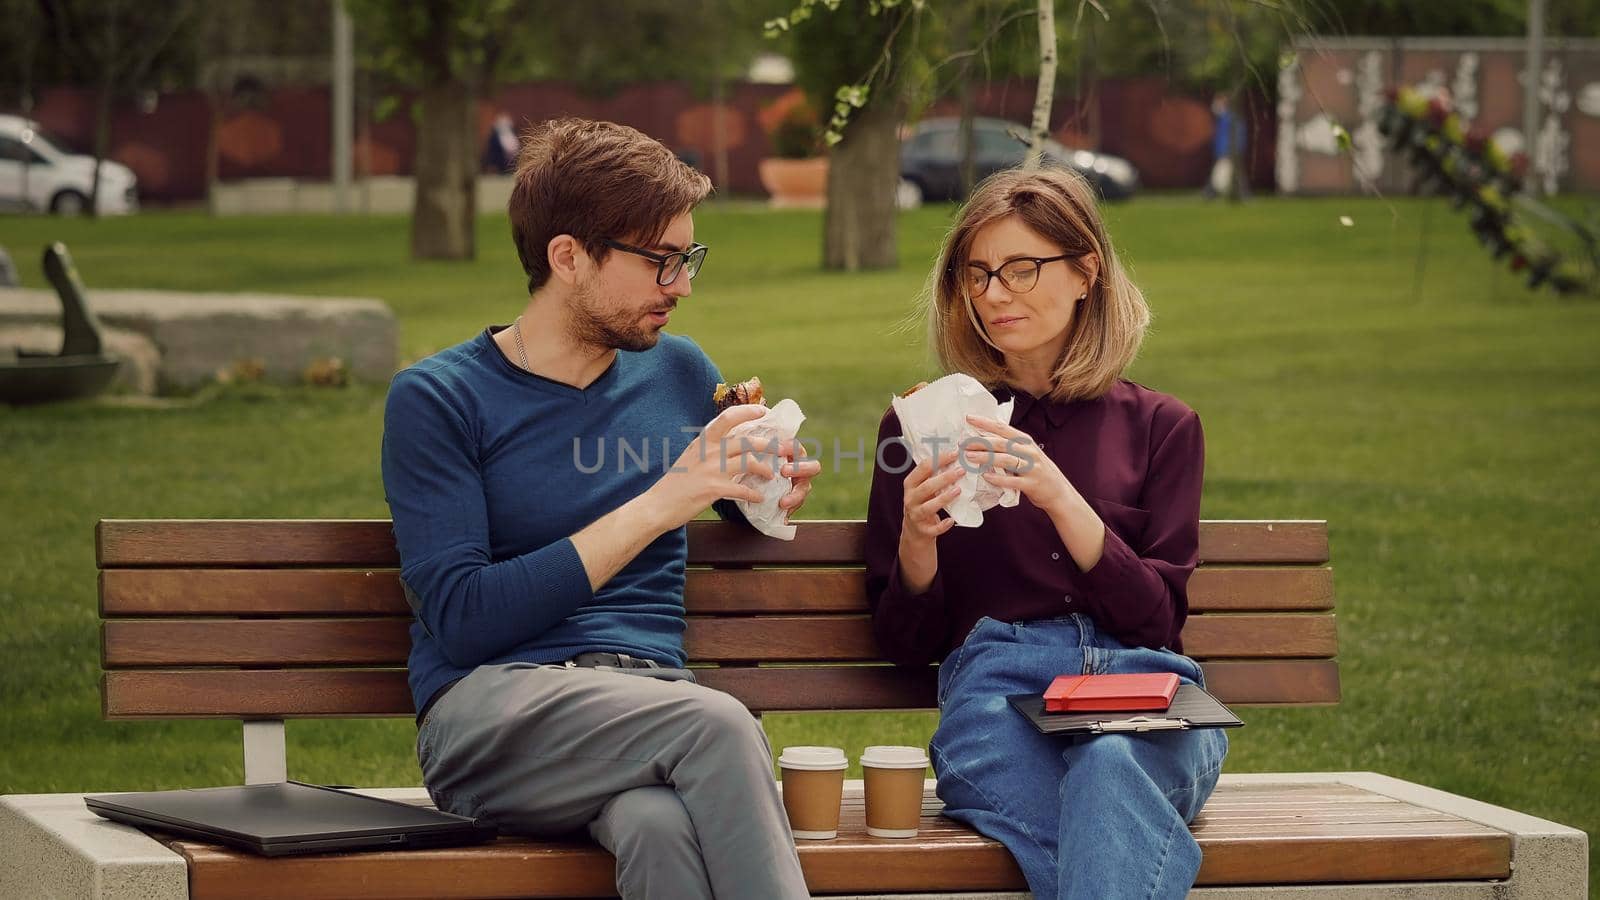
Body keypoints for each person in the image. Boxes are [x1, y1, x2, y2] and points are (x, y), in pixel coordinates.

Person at [382, 117, 818, 900]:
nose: (682, 285)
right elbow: (464, 617)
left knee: (658, 827)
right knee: (719, 725)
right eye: (661, 262)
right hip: (494, 714)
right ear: (568, 257)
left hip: (649, 706)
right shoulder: (441, 399)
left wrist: (764, 492)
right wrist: (665, 499)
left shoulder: (682, 374)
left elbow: (727, 501)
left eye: (689, 259)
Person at [864, 166, 1227, 899]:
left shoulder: (1162, 427)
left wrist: (1062, 497)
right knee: (1106, 799)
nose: (994, 294)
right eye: (979, 274)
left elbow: (1158, 621)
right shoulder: (925, 426)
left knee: (1111, 765)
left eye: (1022, 269)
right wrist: (915, 546)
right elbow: (906, 649)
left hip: (1145, 693)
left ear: (1086, 271)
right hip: (997, 698)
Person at [1203, 93, 1247, 200]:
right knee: (1232, 173)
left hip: (1228, 151)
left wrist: (1234, 149)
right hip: (1223, 151)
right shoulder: (1221, 119)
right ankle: (1211, 193)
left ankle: (1211, 193)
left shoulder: (1230, 119)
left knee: (1224, 173)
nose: (1214, 105)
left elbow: (1238, 135)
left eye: (1218, 103)